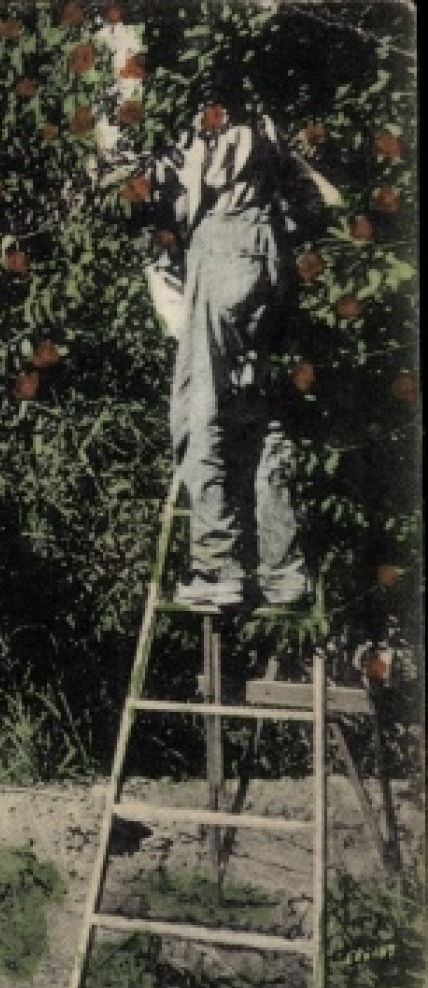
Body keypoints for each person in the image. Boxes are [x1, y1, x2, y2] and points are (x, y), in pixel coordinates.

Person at [151, 96, 336, 609]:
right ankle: (283, 570)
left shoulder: (208, 112)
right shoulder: (268, 119)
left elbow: (183, 198)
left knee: (202, 407)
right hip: (271, 255)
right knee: (263, 411)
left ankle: (216, 565)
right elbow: (320, 202)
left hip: (224, 243)